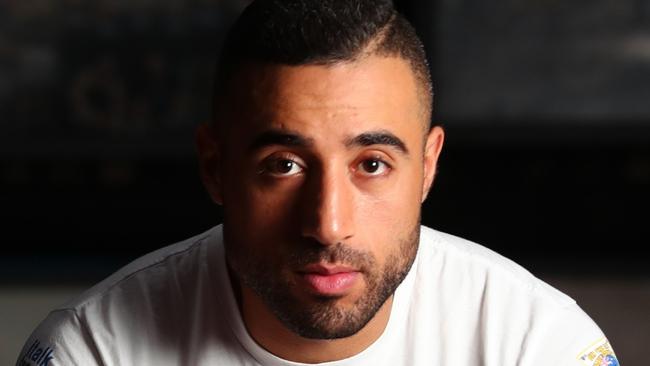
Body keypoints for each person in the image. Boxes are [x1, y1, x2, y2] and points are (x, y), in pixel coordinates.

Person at [16, 1, 619, 365]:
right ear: (215, 167)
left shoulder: (537, 344)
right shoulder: (91, 351)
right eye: (284, 164)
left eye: (373, 164)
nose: (327, 223)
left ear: (428, 167)